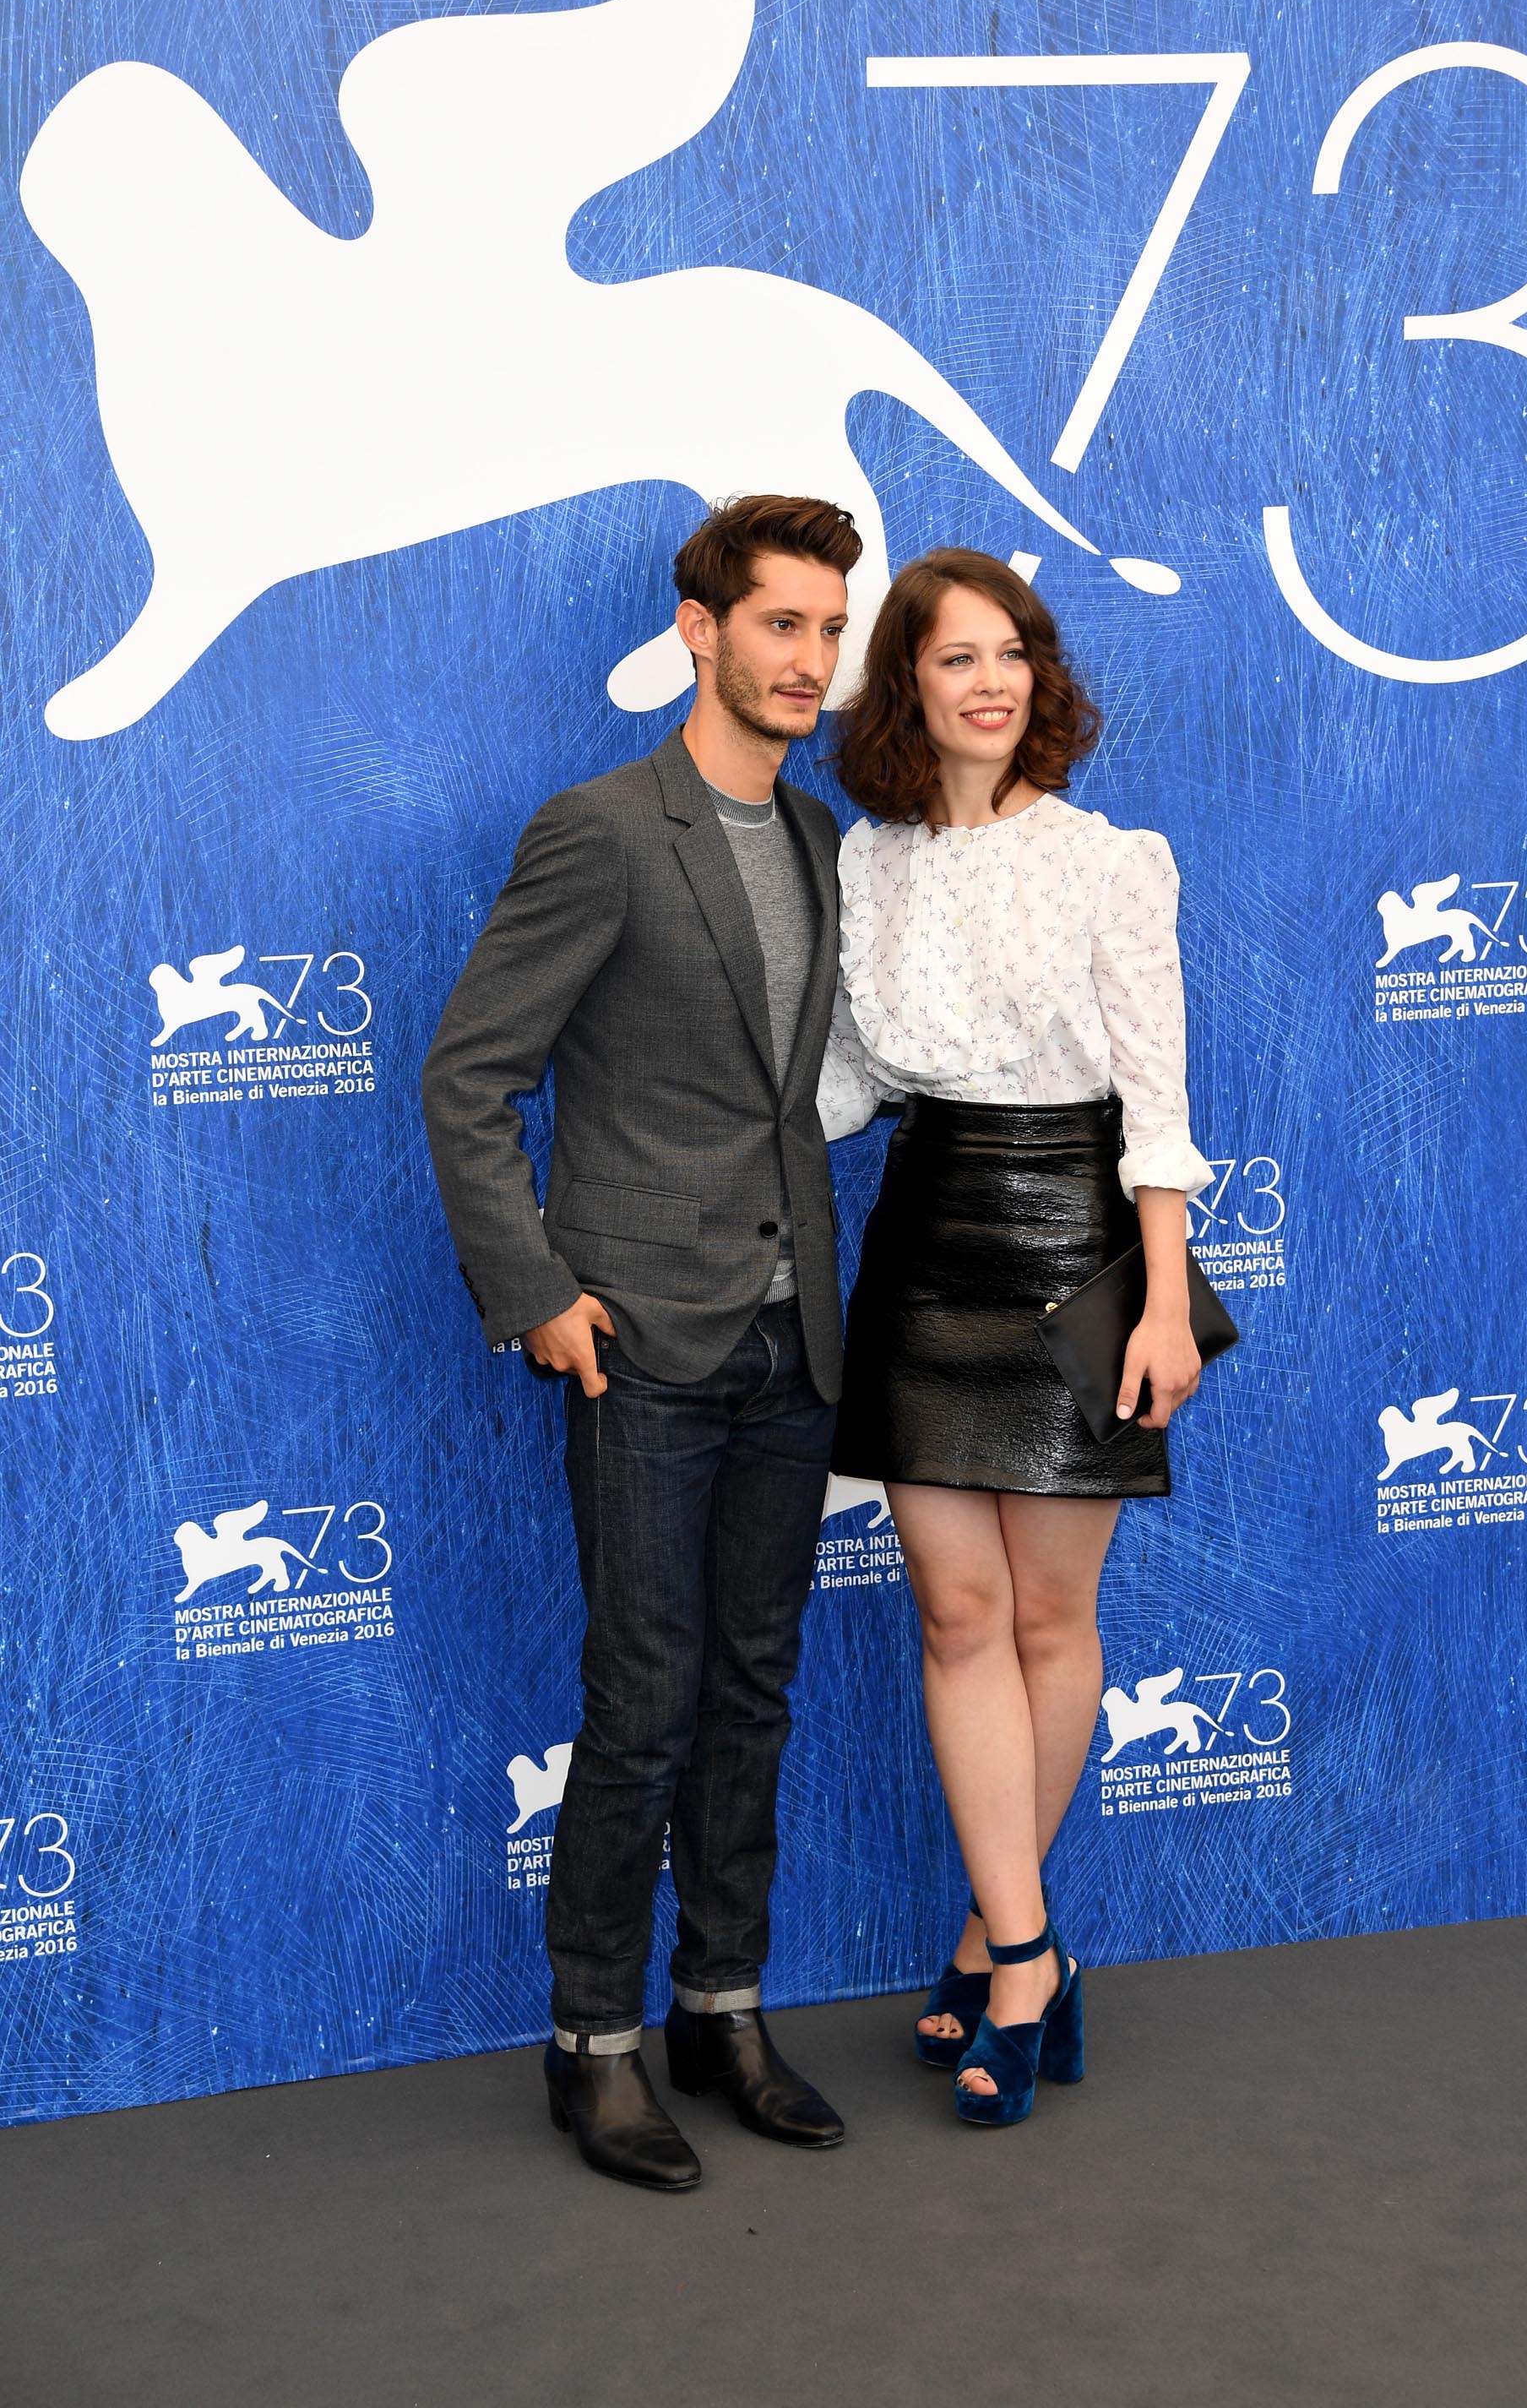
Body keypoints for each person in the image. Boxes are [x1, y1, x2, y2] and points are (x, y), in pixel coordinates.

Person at [422, 494, 862, 2193]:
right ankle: (591, 2043)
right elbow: (470, 1077)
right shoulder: (601, 828)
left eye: (829, 630)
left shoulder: (820, 839)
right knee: (644, 1699)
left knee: (753, 1692)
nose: (810, 660)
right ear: (699, 628)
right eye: (780, 627)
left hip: (792, 1340)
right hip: (642, 1341)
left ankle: (720, 2008)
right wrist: (537, 1292)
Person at [819, 547, 1214, 2128]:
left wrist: (1167, 1303)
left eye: (1014, 654)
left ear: (1039, 682)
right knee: (952, 1610)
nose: (989, 679)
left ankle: (1003, 1946)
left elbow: (1158, 1104)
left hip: (1077, 1246)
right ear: (905, 684)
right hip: (924, 1241)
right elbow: (846, 1081)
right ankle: (1027, 1945)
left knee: (1049, 1623)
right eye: (954, 656)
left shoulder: (1114, 862)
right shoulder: (866, 865)